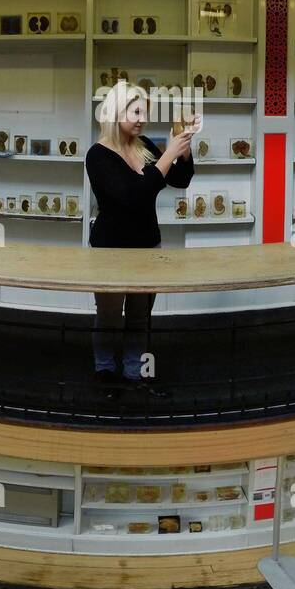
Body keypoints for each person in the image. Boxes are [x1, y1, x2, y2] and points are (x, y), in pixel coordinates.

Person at [83, 81, 197, 382]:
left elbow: (181, 180)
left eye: (144, 111)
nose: (141, 117)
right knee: (109, 317)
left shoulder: (145, 144)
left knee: (140, 317)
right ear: (115, 112)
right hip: (110, 250)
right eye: (135, 111)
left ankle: (136, 373)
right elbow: (133, 196)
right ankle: (105, 370)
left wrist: (182, 151)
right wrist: (168, 154)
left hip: (148, 246)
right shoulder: (97, 156)